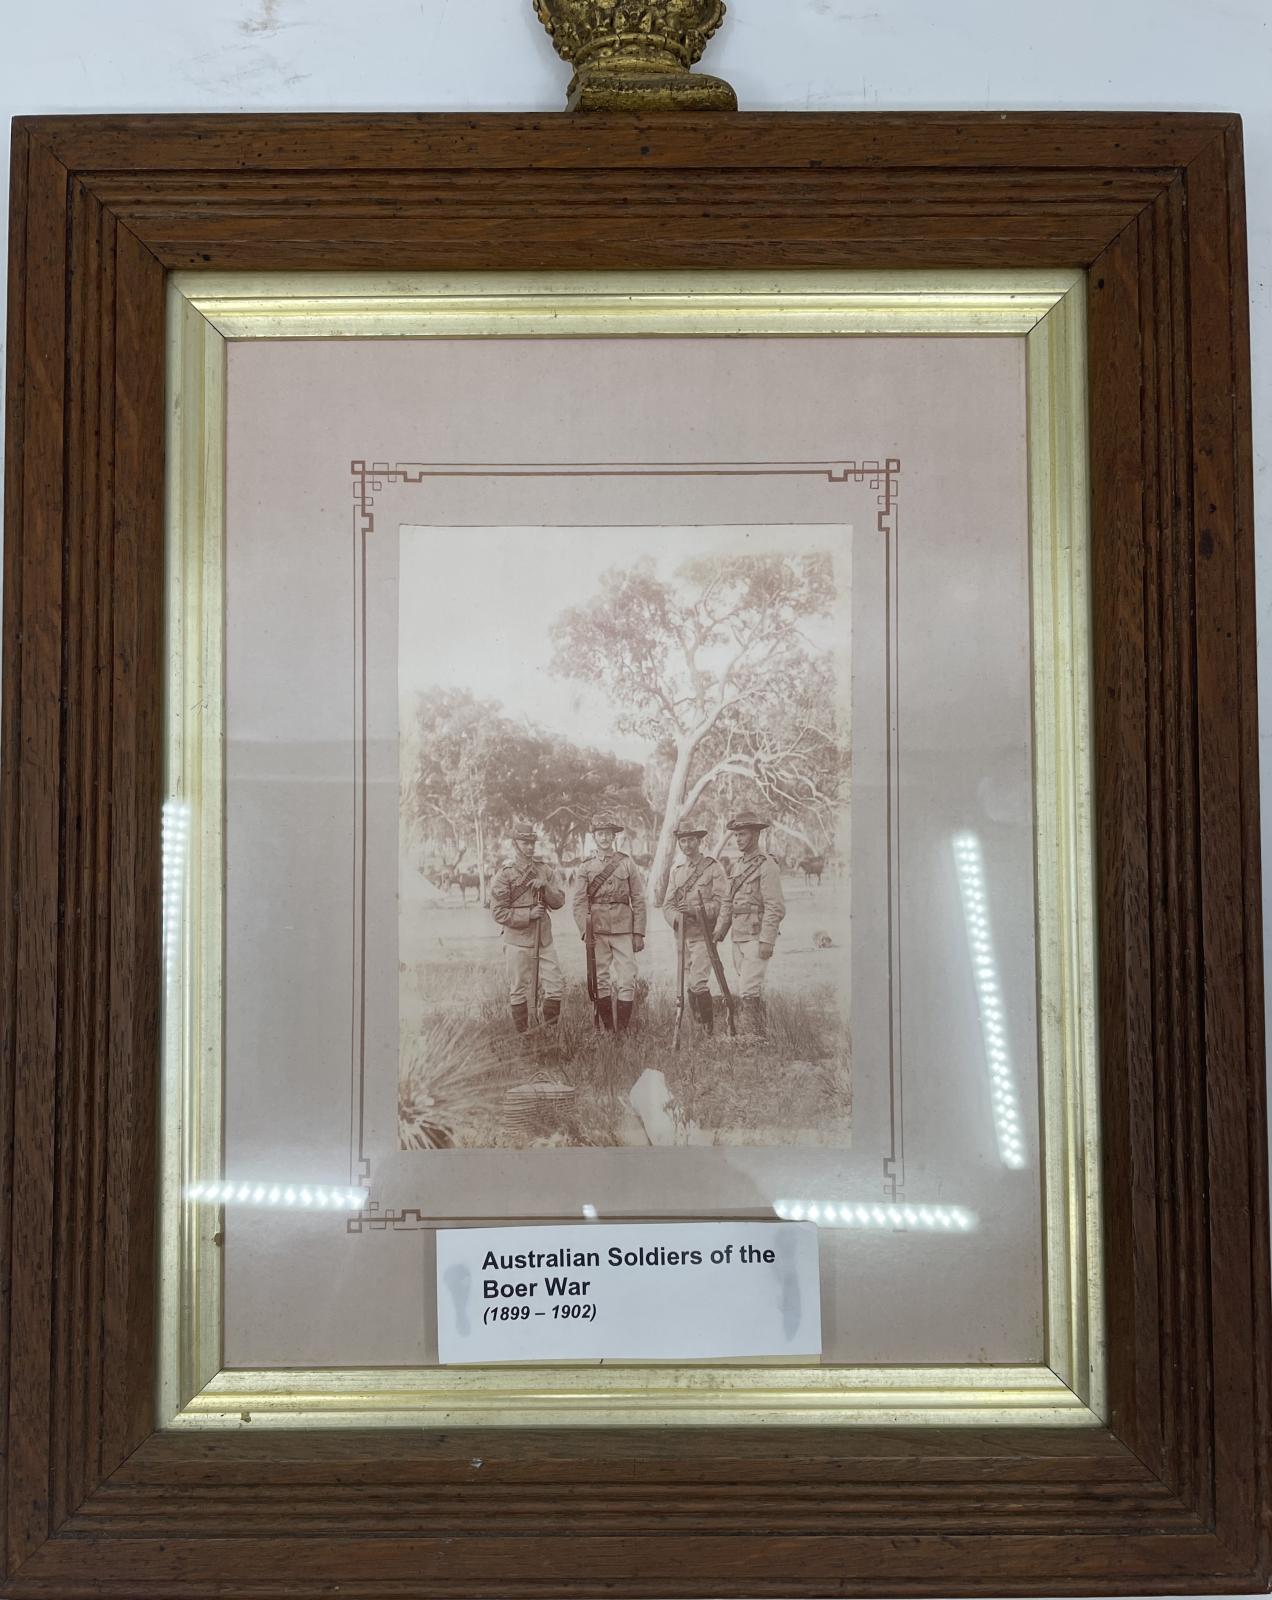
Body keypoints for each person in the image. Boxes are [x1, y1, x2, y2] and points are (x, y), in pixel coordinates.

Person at [488, 822, 566, 1035]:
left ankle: (550, 1035)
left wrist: (546, 886)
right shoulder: (505, 875)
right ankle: (524, 1037)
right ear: (515, 844)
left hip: (544, 940)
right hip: (517, 940)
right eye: (525, 842)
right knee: (518, 990)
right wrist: (527, 915)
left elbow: (559, 901)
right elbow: (498, 912)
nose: (530, 847)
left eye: (532, 843)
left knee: (555, 985)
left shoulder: (544, 870)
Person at [571, 813, 646, 1032]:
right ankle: (609, 1030)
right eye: (600, 834)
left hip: (624, 928)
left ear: (614, 836)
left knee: (627, 978)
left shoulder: (626, 863)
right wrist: (585, 932)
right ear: (594, 837)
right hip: (598, 930)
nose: (604, 838)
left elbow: (639, 898)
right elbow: (578, 902)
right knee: (601, 979)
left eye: (608, 834)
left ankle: (622, 1032)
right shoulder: (585, 867)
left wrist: (639, 932)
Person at [714, 811, 786, 1032]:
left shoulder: (767, 865)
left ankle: (753, 1037)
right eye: (736, 835)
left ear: (755, 835)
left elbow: (775, 906)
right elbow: (727, 901)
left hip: (756, 934)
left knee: (748, 988)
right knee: (749, 986)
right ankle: (760, 1033)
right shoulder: (737, 866)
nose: (738, 839)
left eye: (743, 834)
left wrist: (767, 940)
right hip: (739, 934)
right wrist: (719, 931)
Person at [661, 822, 730, 1035]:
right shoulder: (676, 871)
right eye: (683, 840)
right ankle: (698, 1026)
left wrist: (694, 909)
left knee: (698, 981)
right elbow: (667, 905)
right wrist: (677, 919)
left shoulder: (713, 868)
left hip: (703, 935)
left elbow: (721, 902)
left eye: (691, 840)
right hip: (682, 935)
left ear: (699, 841)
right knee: (687, 983)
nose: (687, 844)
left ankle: (708, 1029)